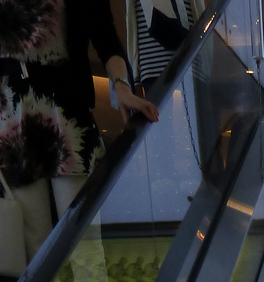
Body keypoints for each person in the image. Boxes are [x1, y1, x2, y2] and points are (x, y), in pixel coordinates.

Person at [0, 0, 159, 260]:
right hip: (10, 116)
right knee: (34, 253)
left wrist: (121, 86)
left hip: (65, 109)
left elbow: (104, 35)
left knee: (83, 245)